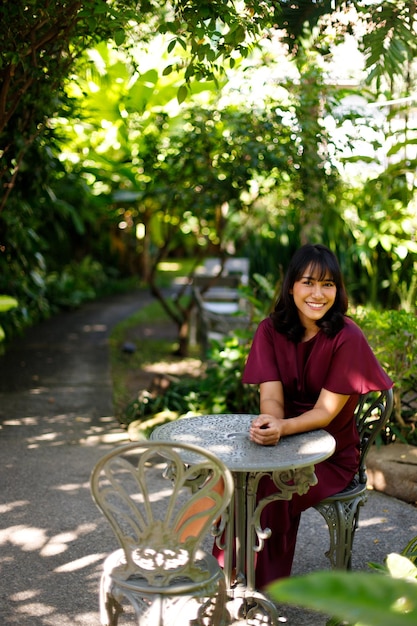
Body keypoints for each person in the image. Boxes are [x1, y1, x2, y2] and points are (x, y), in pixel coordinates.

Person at [241, 243, 393, 589]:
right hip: (282, 443)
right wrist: (270, 424)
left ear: (337, 290)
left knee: (267, 487)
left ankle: (258, 587)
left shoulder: (347, 336)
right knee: (236, 481)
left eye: (328, 284)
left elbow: (324, 413)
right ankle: (235, 574)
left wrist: (281, 428)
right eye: (308, 282)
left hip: (329, 454)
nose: (318, 293)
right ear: (291, 286)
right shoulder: (270, 330)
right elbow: (271, 397)